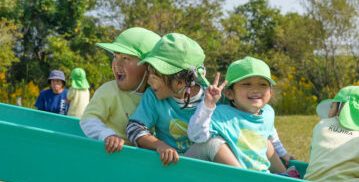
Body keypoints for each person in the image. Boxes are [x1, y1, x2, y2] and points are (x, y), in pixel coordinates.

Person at [187, 56, 285, 173]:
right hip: (236, 177)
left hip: (260, 173)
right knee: (214, 142)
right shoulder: (222, 114)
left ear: (270, 91)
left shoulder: (268, 112)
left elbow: (270, 133)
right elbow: (195, 135)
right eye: (247, 84)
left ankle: (285, 175)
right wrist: (208, 104)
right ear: (229, 93)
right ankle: (246, 180)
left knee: (267, 142)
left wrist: (283, 153)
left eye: (263, 84)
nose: (255, 89)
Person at [126, 33, 211, 166]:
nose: (149, 81)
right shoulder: (153, 96)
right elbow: (134, 128)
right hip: (169, 165)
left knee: (215, 144)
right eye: (149, 74)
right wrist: (159, 145)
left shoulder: (211, 98)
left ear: (180, 81)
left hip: (202, 166)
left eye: (155, 76)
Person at [80, 27, 160, 153]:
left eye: (126, 58)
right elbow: (88, 119)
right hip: (110, 153)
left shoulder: (155, 96)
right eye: (115, 56)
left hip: (137, 160)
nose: (117, 64)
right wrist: (107, 135)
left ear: (148, 67)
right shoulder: (110, 90)